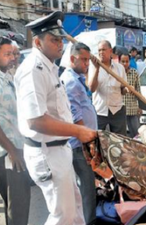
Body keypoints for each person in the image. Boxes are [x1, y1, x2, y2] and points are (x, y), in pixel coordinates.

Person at [14, 11, 97, 225]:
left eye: (60, 39)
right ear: (37, 42)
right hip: (46, 153)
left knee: (76, 211)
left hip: (60, 150)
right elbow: (36, 120)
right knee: (62, 216)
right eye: (53, 40)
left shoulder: (51, 67)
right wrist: (78, 131)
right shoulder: (33, 69)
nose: (59, 44)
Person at [60, 42, 98, 225]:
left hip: (84, 141)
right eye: (83, 60)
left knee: (87, 186)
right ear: (72, 59)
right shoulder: (71, 82)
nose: (86, 64)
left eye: (88, 60)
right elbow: (75, 115)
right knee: (87, 188)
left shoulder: (78, 78)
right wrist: (86, 142)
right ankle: (88, 221)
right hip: (79, 145)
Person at [0, 37, 31, 225]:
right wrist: (11, 150)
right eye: (6, 54)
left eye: (13, 53)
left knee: (16, 207)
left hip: (14, 148)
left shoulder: (6, 76)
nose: (12, 57)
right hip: (7, 152)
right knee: (18, 209)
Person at [88, 40, 128, 136]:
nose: (101, 52)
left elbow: (122, 89)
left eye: (104, 50)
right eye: (99, 50)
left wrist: (127, 89)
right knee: (96, 140)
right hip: (100, 111)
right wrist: (97, 69)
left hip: (117, 109)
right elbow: (92, 89)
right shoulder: (93, 67)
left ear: (110, 51)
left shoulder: (120, 68)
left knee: (120, 141)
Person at [119, 53, 142, 138]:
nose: (125, 63)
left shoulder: (134, 73)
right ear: (119, 62)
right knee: (122, 135)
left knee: (136, 133)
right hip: (120, 108)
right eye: (123, 61)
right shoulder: (117, 74)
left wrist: (140, 106)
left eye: (127, 61)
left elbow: (138, 90)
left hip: (132, 108)